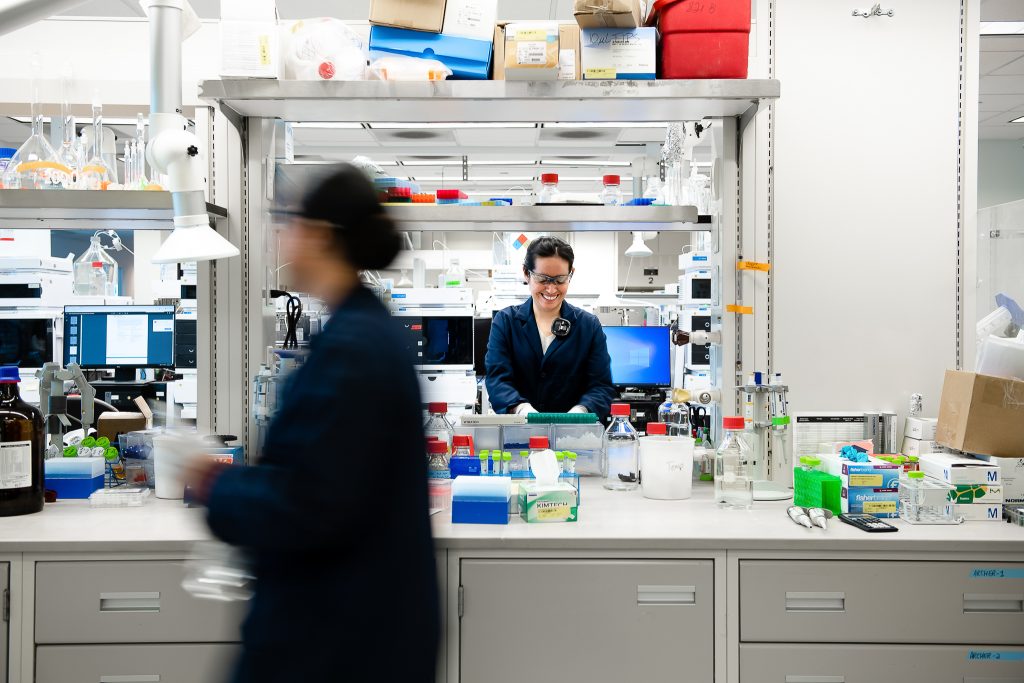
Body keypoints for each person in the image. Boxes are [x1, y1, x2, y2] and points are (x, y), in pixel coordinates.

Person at [187, 165, 439, 683]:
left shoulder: (353, 349)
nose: (282, 238)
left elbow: (308, 506)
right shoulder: (366, 331)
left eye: (288, 224)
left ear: (321, 236)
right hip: (362, 628)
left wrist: (213, 481)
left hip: (338, 641)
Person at [485, 236, 616, 420]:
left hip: (575, 438)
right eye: (543, 279)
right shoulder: (506, 322)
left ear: (571, 274)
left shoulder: (588, 326)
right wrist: (522, 410)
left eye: (560, 280)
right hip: (520, 435)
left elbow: (601, 386)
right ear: (526, 273)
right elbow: (498, 380)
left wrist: (580, 413)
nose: (551, 289)